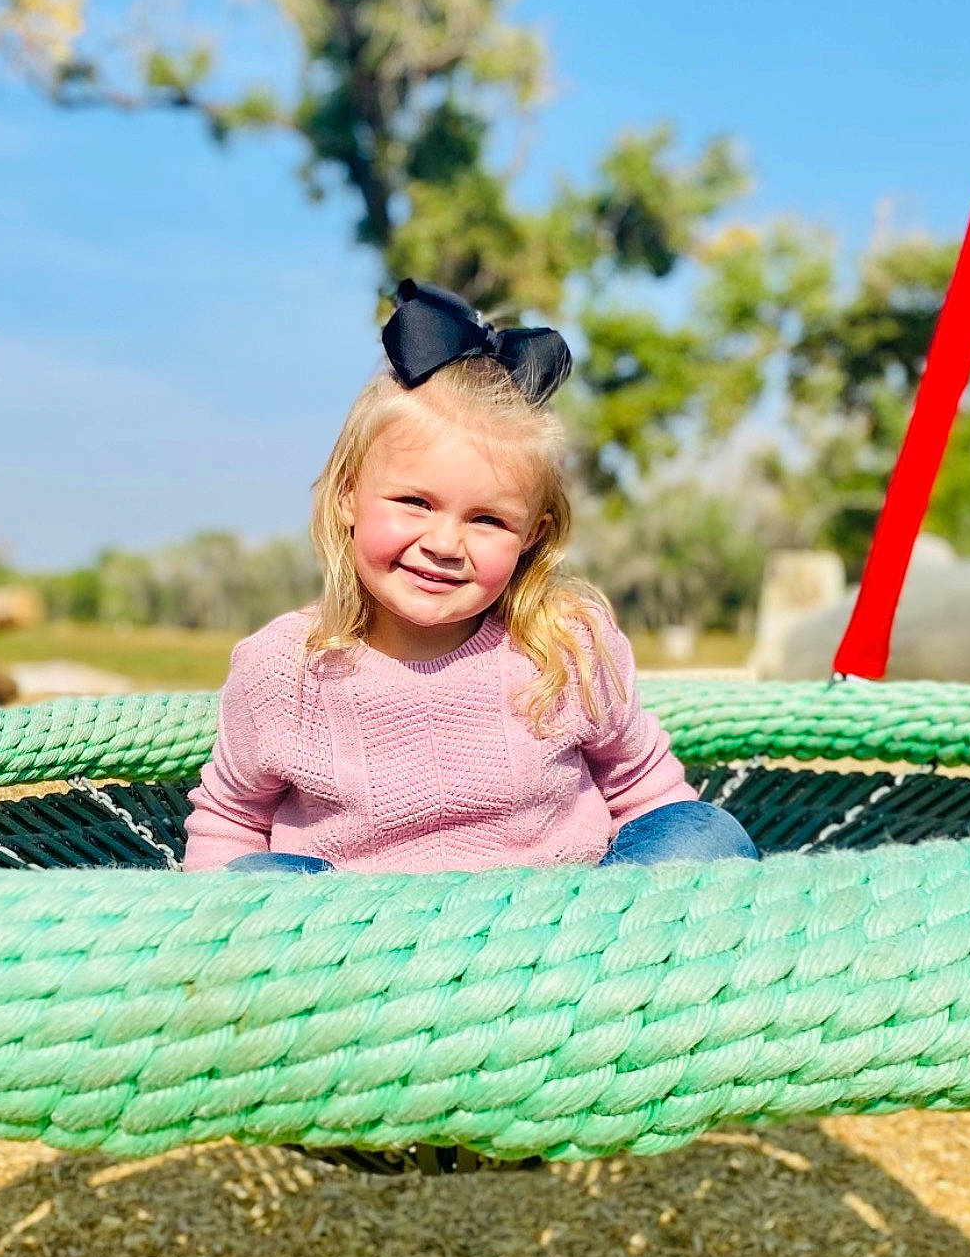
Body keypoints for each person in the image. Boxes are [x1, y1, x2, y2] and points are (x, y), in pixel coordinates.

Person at [182, 280, 759, 875]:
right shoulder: (286, 667)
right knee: (255, 878)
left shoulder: (563, 643)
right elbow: (230, 820)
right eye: (414, 502)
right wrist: (218, 931)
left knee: (705, 834)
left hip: (559, 926)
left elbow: (644, 787)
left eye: (487, 519)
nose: (444, 545)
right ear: (349, 496)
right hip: (358, 940)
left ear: (532, 534)